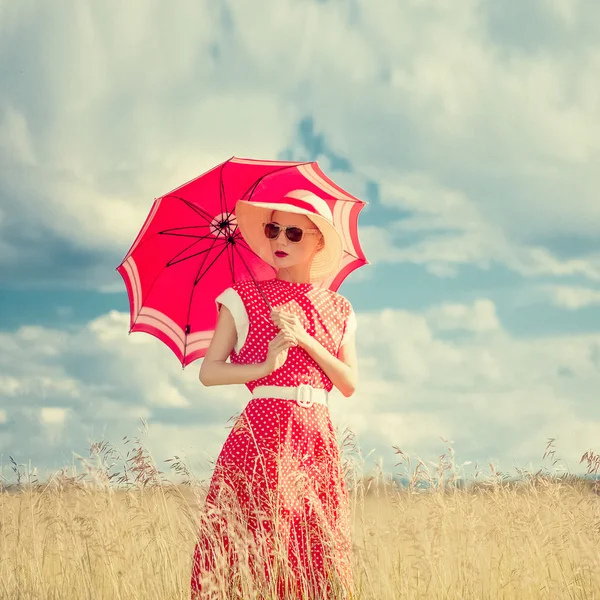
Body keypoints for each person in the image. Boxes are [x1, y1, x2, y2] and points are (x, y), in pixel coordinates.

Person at [190, 189, 358, 599]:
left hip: (316, 436)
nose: (280, 240)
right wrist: (265, 366)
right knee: (257, 540)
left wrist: (304, 339)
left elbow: (349, 383)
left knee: (316, 547)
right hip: (262, 432)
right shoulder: (242, 297)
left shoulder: (339, 307)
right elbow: (208, 372)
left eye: (294, 233)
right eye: (273, 229)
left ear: (318, 241)